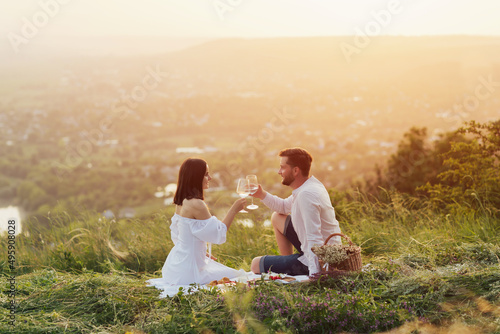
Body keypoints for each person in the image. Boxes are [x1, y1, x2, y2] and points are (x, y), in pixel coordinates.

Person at [147, 158, 247, 293]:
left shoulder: (181, 201)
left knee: (226, 272)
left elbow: (177, 236)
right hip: (189, 272)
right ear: (196, 177)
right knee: (239, 275)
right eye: (206, 174)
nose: (210, 178)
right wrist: (234, 210)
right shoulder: (196, 204)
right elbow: (218, 235)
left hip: (174, 267)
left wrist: (200, 252)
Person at [250, 147, 342, 276]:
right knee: (277, 217)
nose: (279, 172)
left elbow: (314, 238)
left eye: (282, 167)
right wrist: (261, 194)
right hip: (320, 247)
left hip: (325, 259)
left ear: (295, 170)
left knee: (255, 264)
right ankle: (288, 261)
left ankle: (294, 267)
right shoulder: (308, 186)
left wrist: (315, 275)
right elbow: (282, 207)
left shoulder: (306, 195)